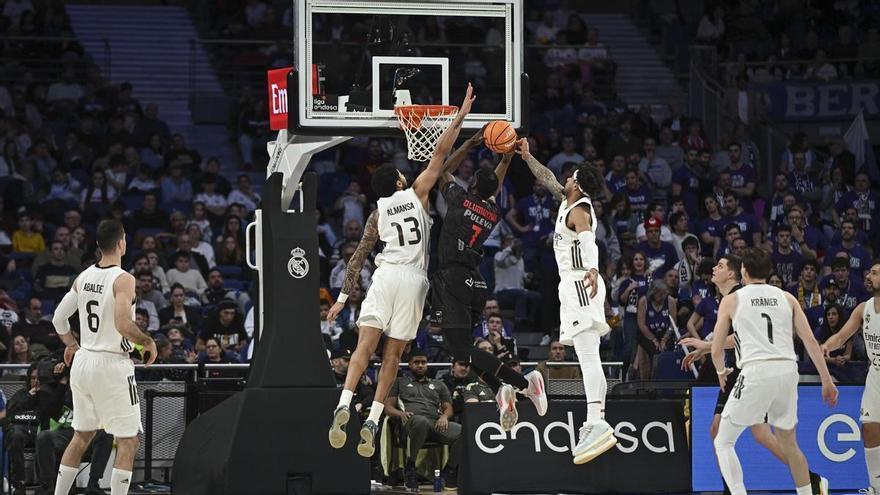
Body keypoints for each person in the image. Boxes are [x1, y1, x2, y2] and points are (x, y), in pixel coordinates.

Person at [326, 85, 474, 459]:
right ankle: (374, 418)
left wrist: (343, 299)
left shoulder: (377, 213)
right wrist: (459, 116)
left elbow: (358, 256)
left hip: (384, 276)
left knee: (364, 346)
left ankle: (344, 402)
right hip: (412, 282)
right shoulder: (418, 193)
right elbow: (440, 154)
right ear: (398, 182)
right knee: (392, 356)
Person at [428, 128, 545, 430]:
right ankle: (502, 389)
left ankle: (524, 382)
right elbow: (496, 181)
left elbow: (441, 170)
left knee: (461, 351)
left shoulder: (458, 200)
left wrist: (468, 143)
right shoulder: (492, 210)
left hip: (453, 279)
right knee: (465, 350)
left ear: (473, 184)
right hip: (476, 283)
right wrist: (506, 157)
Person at [517, 137, 615, 465]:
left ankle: (597, 421)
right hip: (573, 286)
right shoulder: (567, 200)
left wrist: (592, 270)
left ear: (579, 183)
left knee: (588, 356)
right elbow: (546, 177)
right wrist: (528, 156)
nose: (566, 178)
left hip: (580, 283)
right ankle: (595, 420)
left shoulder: (581, 209)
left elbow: (589, 240)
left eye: (571, 175)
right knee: (588, 355)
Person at [710, 248, 836, 495]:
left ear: (744, 271)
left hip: (756, 371)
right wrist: (826, 379)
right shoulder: (787, 298)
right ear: (769, 272)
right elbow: (810, 340)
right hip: (788, 372)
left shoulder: (732, 300)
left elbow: (716, 349)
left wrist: (721, 371)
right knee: (789, 444)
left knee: (723, 441)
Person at [49, 219, 158, 495]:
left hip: (84, 361)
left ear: (98, 245)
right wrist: (147, 341)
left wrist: (71, 344)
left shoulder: (83, 277)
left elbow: (59, 318)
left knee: (81, 435)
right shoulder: (124, 279)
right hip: (111, 364)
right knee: (128, 440)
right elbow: (123, 323)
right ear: (122, 243)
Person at [822, 262, 880, 494]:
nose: (868, 276)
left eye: (875, 273)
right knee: (869, 430)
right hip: (875, 375)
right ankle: (876, 487)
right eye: (869, 272)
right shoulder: (863, 308)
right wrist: (827, 345)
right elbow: (842, 335)